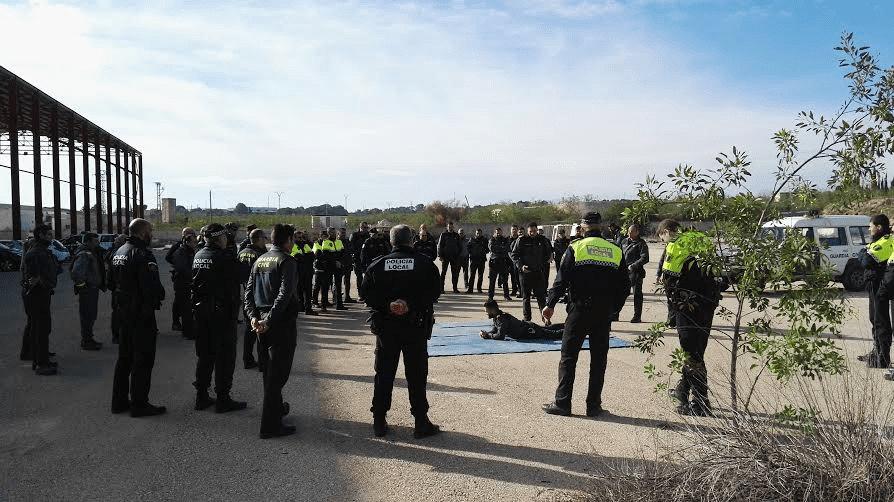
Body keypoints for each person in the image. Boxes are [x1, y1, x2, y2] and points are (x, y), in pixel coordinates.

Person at [541, 212, 629, 417]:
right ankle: (593, 406)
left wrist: (550, 304)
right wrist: (614, 309)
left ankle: (563, 404)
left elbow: (561, 280)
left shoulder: (576, 247)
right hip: (603, 313)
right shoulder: (615, 250)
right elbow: (625, 286)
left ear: (582, 228)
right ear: (601, 226)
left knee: (568, 357)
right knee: (599, 360)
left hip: (579, 310)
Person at [360, 224, 441, 439]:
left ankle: (379, 420)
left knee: (384, 373)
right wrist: (409, 305)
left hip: (387, 328)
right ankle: (420, 422)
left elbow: (365, 293)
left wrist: (389, 305)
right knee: (416, 374)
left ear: (391, 241)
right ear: (411, 240)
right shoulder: (425, 264)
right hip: (414, 327)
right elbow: (434, 292)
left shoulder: (377, 265)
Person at [658, 219, 720, 416]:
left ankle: (701, 402)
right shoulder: (702, 240)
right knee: (697, 349)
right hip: (707, 304)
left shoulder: (675, 246)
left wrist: (672, 312)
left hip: (687, 305)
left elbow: (667, 280)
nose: (663, 243)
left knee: (691, 353)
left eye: (662, 238)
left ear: (667, 231)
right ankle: (682, 390)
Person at [245, 223, 301, 439]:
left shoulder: (260, 259)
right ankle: (270, 427)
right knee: (277, 376)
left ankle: (276, 411)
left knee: (269, 372)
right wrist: (268, 320)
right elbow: (285, 295)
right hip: (278, 324)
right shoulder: (287, 261)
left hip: (261, 323)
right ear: (289, 241)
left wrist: (253, 318)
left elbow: (248, 292)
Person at [110, 218, 167, 416]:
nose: (152, 234)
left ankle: (118, 402)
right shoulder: (143, 254)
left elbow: (111, 282)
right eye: (150, 230)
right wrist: (159, 295)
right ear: (143, 233)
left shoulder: (119, 252)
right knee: (142, 359)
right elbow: (152, 288)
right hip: (141, 314)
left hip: (122, 312)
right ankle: (139, 404)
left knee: (124, 358)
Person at [191, 223, 248, 413]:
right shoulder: (224, 257)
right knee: (225, 358)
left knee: (205, 356)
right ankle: (223, 399)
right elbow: (243, 274)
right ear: (219, 238)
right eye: (225, 237)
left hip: (202, 313)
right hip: (222, 314)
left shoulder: (199, 255)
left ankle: (201, 396)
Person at [21, 225, 63, 375]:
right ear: (40, 235)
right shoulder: (36, 253)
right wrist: (44, 285)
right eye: (48, 235)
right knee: (41, 328)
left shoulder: (42, 251)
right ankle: (41, 363)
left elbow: (55, 269)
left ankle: (33, 354)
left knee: (35, 326)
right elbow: (34, 277)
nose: (51, 238)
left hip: (39, 294)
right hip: (37, 295)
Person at [863, 215, 893, 368]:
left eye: (871, 226)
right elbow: (862, 258)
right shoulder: (878, 241)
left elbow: (865, 260)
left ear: (879, 227)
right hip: (874, 286)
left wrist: (865, 253)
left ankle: (883, 358)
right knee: (874, 320)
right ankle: (877, 352)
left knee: (881, 323)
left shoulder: (887, 241)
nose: (869, 229)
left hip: (881, 286)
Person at [239, 228, 270, 369]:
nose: (266, 242)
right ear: (258, 239)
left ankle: (247, 359)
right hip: (259, 297)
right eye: (264, 239)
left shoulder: (241, 253)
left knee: (249, 329)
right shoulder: (260, 255)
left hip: (246, 295)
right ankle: (263, 363)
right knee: (261, 330)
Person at [70, 232, 105, 350]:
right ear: (88, 241)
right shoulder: (85, 254)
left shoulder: (92, 252)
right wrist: (83, 286)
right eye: (95, 241)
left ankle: (89, 339)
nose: (97, 243)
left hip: (92, 288)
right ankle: (86, 341)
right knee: (87, 315)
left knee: (91, 315)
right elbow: (76, 272)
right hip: (88, 290)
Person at [511, 222, 553, 322]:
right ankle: (527, 319)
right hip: (525, 273)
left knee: (541, 298)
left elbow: (549, 253)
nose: (532, 233)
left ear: (537, 230)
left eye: (534, 231)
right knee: (526, 298)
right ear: (527, 231)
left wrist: (548, 259)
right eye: (530, 231)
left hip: (538, 272)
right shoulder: (521, 240)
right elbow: (514, 255)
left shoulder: (542, 240)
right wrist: (520, 266)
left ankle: (545, 318)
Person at [479, 300, 563, 340]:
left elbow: (500, 336)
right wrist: (486, 333)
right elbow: (495, 330)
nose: (486, 313)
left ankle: (571, 330)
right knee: (549, 329)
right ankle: (566, 325)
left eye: (487, 311)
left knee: (553, 334)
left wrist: (488, 336)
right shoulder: (497, 317)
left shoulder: (501, 319)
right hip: (528, 327)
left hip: (530, 330)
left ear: (492, 310)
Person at [166, 227, 197, 331]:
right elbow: (168, 257)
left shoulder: (191, 246)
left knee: (185, 302)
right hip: (181, 278)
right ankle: (177, 322)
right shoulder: (179, 247)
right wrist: (177, 263)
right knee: (180, 301)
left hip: (187, 278)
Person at [620, 224, 650, 323]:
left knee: (637, 294)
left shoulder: (641, 244)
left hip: (636, 272)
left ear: (637, 232)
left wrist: (634, 265)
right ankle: (615, 314)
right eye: (628, 231)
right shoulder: (624, 241)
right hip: (624, 272)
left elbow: (645, 258)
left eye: (631, 231)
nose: (629, 233)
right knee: (621, 293)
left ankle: (637, 316)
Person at [106, 234, 127, 344]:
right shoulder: (118, 254)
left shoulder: (114, 252)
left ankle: (118, 334)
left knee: (118, 312)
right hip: (118, 287)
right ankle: (117, 335)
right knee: (118, 313)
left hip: (116, 286)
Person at [291, 230, 318, 316]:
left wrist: (303, 257)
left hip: (307, 272)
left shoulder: (306, 245)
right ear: (294, 238)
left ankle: (308, 308)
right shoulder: (292, 246)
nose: (301, 239)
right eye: (299, 237)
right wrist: (305, 257)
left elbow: (312, 256)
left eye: (302, 237)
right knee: (299, 291)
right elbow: (296, 257)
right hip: (298, 272)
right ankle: (300, 307)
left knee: (308, 291)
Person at [487, 227, 512, 301]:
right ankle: (490, 296)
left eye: (499, 232)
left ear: (502, 232)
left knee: (505, 281)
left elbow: (507, 248)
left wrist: (500, 249)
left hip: (503, 262)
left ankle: (506, 296)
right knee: (492, 281)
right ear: (495, 232)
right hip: (494, 263)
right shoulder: (492, 240)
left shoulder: (505, 240)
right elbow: (492, 249)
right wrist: (501, 248)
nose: (498, 234)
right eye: (497, 232)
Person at [437, 221, 463, 293]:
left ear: (453, 227)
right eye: (449, 227)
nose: (450, 228)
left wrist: (458, 255)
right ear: (447, 227)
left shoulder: (456, 235)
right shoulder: (443, 235)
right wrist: (440, 255)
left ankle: (455, 288)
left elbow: (460, 246)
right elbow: (440, 246)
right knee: (443, 272)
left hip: (454, 257)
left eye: (451, 227)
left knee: (454, 273)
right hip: (445, 257)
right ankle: (441, 288)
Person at [349, 222, 371, 301]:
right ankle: (360, 294)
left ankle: (366, 294)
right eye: (364, 228)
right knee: (359, 277)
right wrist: (354, 256)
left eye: (366, 228)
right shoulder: (354, 235)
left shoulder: (367, 235)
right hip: (357, 259)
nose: (365, 229)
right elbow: (351, 246)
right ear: (360, 227)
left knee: (368, 277)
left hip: (366, 259)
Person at [338, 228, 357, 303]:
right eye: (342, 233)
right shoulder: (336, 242)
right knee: (337, 282)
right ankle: (337, 298)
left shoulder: (347, 241)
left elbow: (352, 249)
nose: (343, 234)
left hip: (347, 263)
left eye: (344, 233)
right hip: (340, 263)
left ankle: (347, 297)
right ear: (338, 234)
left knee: (347, 281)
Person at [466, 228, 489, 294]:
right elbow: (468, 247)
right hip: (473, 259)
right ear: (475, 234)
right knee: (472, 275)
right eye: (477, 233)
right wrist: (472, 253)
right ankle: (470, 289)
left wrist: (483, 252)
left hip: (481, 260)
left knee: (480, 275)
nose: (478, 234)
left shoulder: (484, 240)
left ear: (481, 233)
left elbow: (488, 249)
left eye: (479, 233)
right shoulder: (472, 240)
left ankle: (479, 288)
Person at [508, 224, 521, 297]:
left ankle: (520, 290)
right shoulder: (508, 239)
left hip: (518, 261)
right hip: (510, 261)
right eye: (513, 229)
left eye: (515, 229)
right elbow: (508, 250)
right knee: (513, 277)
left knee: (519, 277)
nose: (514, 231)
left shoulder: (520, 239)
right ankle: (514, 290)